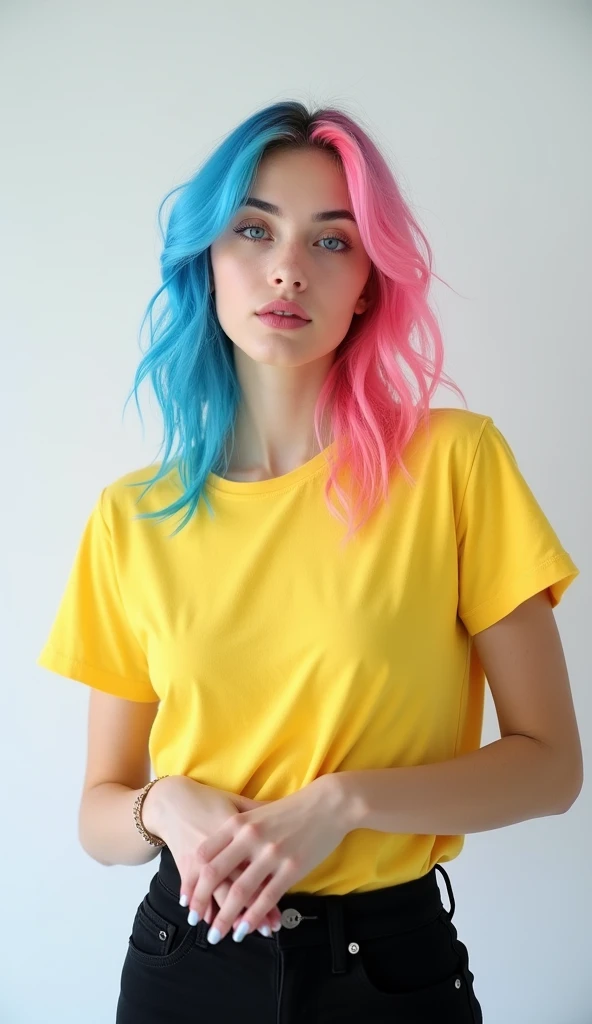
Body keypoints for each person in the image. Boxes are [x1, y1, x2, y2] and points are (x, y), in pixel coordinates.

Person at [36, 100, 583, 1023]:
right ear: (207, 259)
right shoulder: (132, 516)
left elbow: (550, 767)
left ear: (369, 281)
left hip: (390, 966)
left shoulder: (455, 465)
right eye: (253, 229)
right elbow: (100, 813)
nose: (287, 266)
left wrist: (342, 804)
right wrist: (163, 804)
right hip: (184, 961)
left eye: (333, 242)